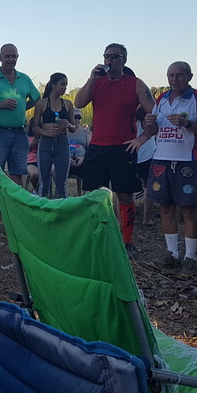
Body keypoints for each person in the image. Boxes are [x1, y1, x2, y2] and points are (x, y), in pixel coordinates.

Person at [74, 43, 154, 253]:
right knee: (94, 195)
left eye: (114, 56)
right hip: (97, 146)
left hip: (123, 147)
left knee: (125, 195)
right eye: (106, 56)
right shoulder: (97, 82)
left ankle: (127, 241)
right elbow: (79, 103)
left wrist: (142, 138)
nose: (109, 60)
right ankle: (96, 236)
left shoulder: (135, 84)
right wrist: (91, 78)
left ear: (124, 60)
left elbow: (155, 112)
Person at [143, 61, 197, 272]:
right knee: (165, 208)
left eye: (179, 75)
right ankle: (172, 254)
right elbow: (153, 131)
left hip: (188, 161)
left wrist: (187, 124)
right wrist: (149, 123)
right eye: (170, 75)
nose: (174, 79)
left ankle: (190, 258)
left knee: (188, 210)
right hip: (161, 160)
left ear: (189, 76)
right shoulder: (161, 99)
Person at [0, 43, 40, 225]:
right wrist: (0, 105)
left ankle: (14, 212)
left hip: (19, 132)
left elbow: (37, 98)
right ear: (0, 57)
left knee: (18, 172)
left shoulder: (24, 78)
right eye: (7, 56)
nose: (11, 59)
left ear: (17, 57)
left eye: (14, 56)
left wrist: (22, 107)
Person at [31, 73, 76, 198]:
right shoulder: (41, 104)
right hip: (46, 143)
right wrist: (45, 133)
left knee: (61, 184)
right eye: (62, 84)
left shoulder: (68, 104)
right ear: (53, 85)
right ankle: (43, 206)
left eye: (66, 85)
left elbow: (73, 128)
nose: (64, 88)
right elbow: (35, 127)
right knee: (44, 183)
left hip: (62, 143)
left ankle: (62, 206)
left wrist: (68, 124)